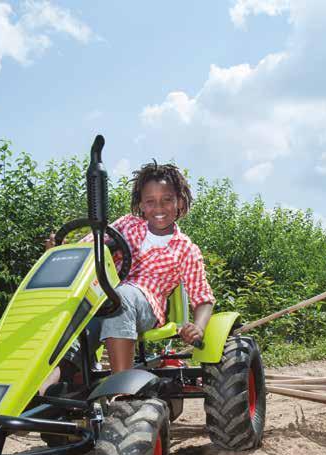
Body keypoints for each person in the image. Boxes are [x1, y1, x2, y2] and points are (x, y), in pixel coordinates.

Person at [42, 161, 215, 389]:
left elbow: (203, 297)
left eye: (167, 200)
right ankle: (35, 399)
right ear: (141, 204)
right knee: (76, 327)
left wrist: (198, 327)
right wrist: (60, 251)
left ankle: (121, 392)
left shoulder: (185, 249)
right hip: (101, 301)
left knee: (120, 297)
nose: (159, 208)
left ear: (179, 202)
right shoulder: (126, 225)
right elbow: (87, 250)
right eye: (150, 201)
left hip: (145, 307)